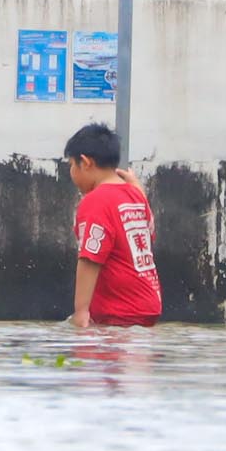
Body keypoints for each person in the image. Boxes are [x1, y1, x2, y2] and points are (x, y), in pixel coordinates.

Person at [65, 122, 162, 328]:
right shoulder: (135, 195)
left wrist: (81, 312)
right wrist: (138, 190)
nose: (71, 172)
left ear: (85, 162)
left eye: (72, 165)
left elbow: (90, 258)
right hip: (148, 305)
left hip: (118, 311)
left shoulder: (96, 201)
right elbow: (147, 235)